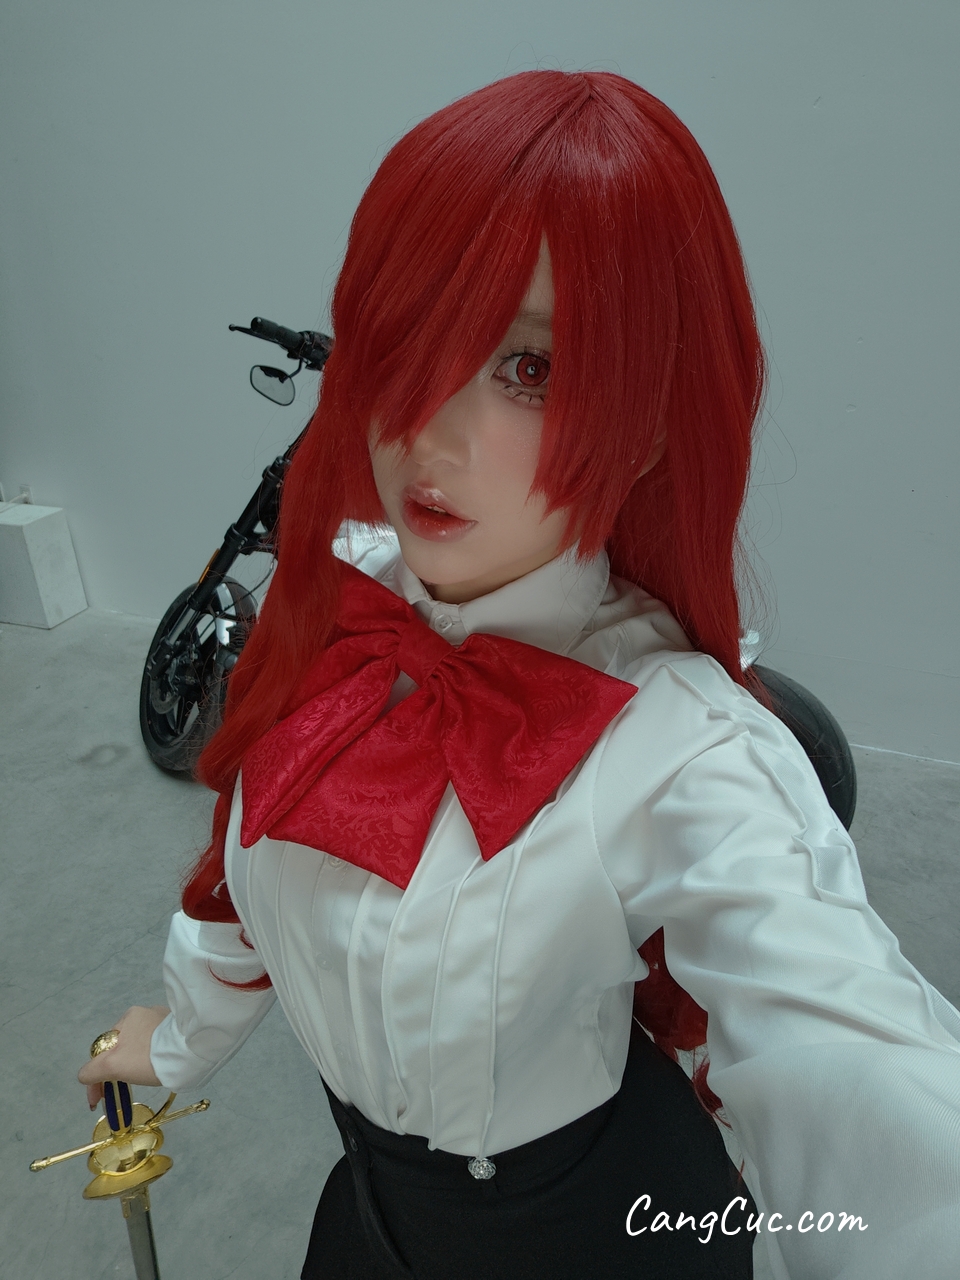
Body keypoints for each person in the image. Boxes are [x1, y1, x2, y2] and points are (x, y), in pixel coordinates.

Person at [79, 71, 960, 1278]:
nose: (426, 426)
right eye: (407, 340)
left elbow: (855, 1051)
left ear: (648, 419)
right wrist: (176, 1040)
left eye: (529, 369)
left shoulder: (683, 749)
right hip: (369, 1221)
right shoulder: (333, 605)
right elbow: (247, 881)